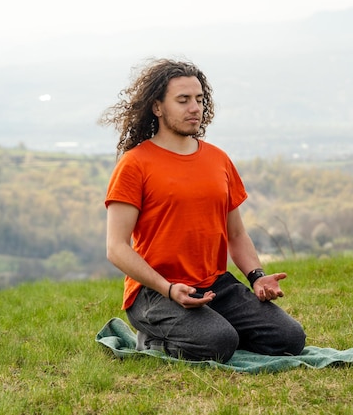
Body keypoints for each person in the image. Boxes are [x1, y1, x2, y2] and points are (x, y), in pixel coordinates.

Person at [100, 58, 306, 363]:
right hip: (154, 291)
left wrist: (257, 277)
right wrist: (168, 289)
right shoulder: (134, 164)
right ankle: (153, 340)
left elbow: (236, 233)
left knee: (289, 338)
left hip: (213, 284)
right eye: (182, 100)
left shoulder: (218, 160)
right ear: (157, 107)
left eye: (199, 99)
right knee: (218, 342)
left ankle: (209, 327)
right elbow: (116, 248)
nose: (194, 107)